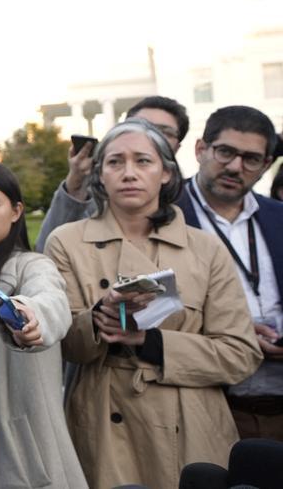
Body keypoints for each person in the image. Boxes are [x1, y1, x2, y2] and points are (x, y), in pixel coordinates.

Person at [45, 118, 262, 489]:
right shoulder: (66, 242)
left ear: (166, 172)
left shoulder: (206, 248)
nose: (128, 173)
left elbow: (241, 353)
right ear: (99, 174)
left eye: (143, 161)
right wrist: (100, 318)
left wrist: (150, 343)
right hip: (103, 425)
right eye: (115, 162)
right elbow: (65, 348)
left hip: (192, 427)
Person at [0, 162, 86, 489]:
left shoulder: (33, 266)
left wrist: (30, 316)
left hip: (22, 452)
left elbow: (50, 301)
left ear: (16, 211)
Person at [175, 105, 283, 441]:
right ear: (200, 149)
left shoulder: (279, 217)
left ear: (266, 165)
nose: (236, 166)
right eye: (225, 152)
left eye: (251, 159)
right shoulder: (162, 216)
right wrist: (233, 330)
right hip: (208, 407)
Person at [35, 95, 189, 252]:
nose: (145, 135)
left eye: (164, 132)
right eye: (137, 126)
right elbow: (46, 253)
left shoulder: (195, 209)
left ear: (176, 147)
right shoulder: (96, 203)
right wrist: (76, 182)